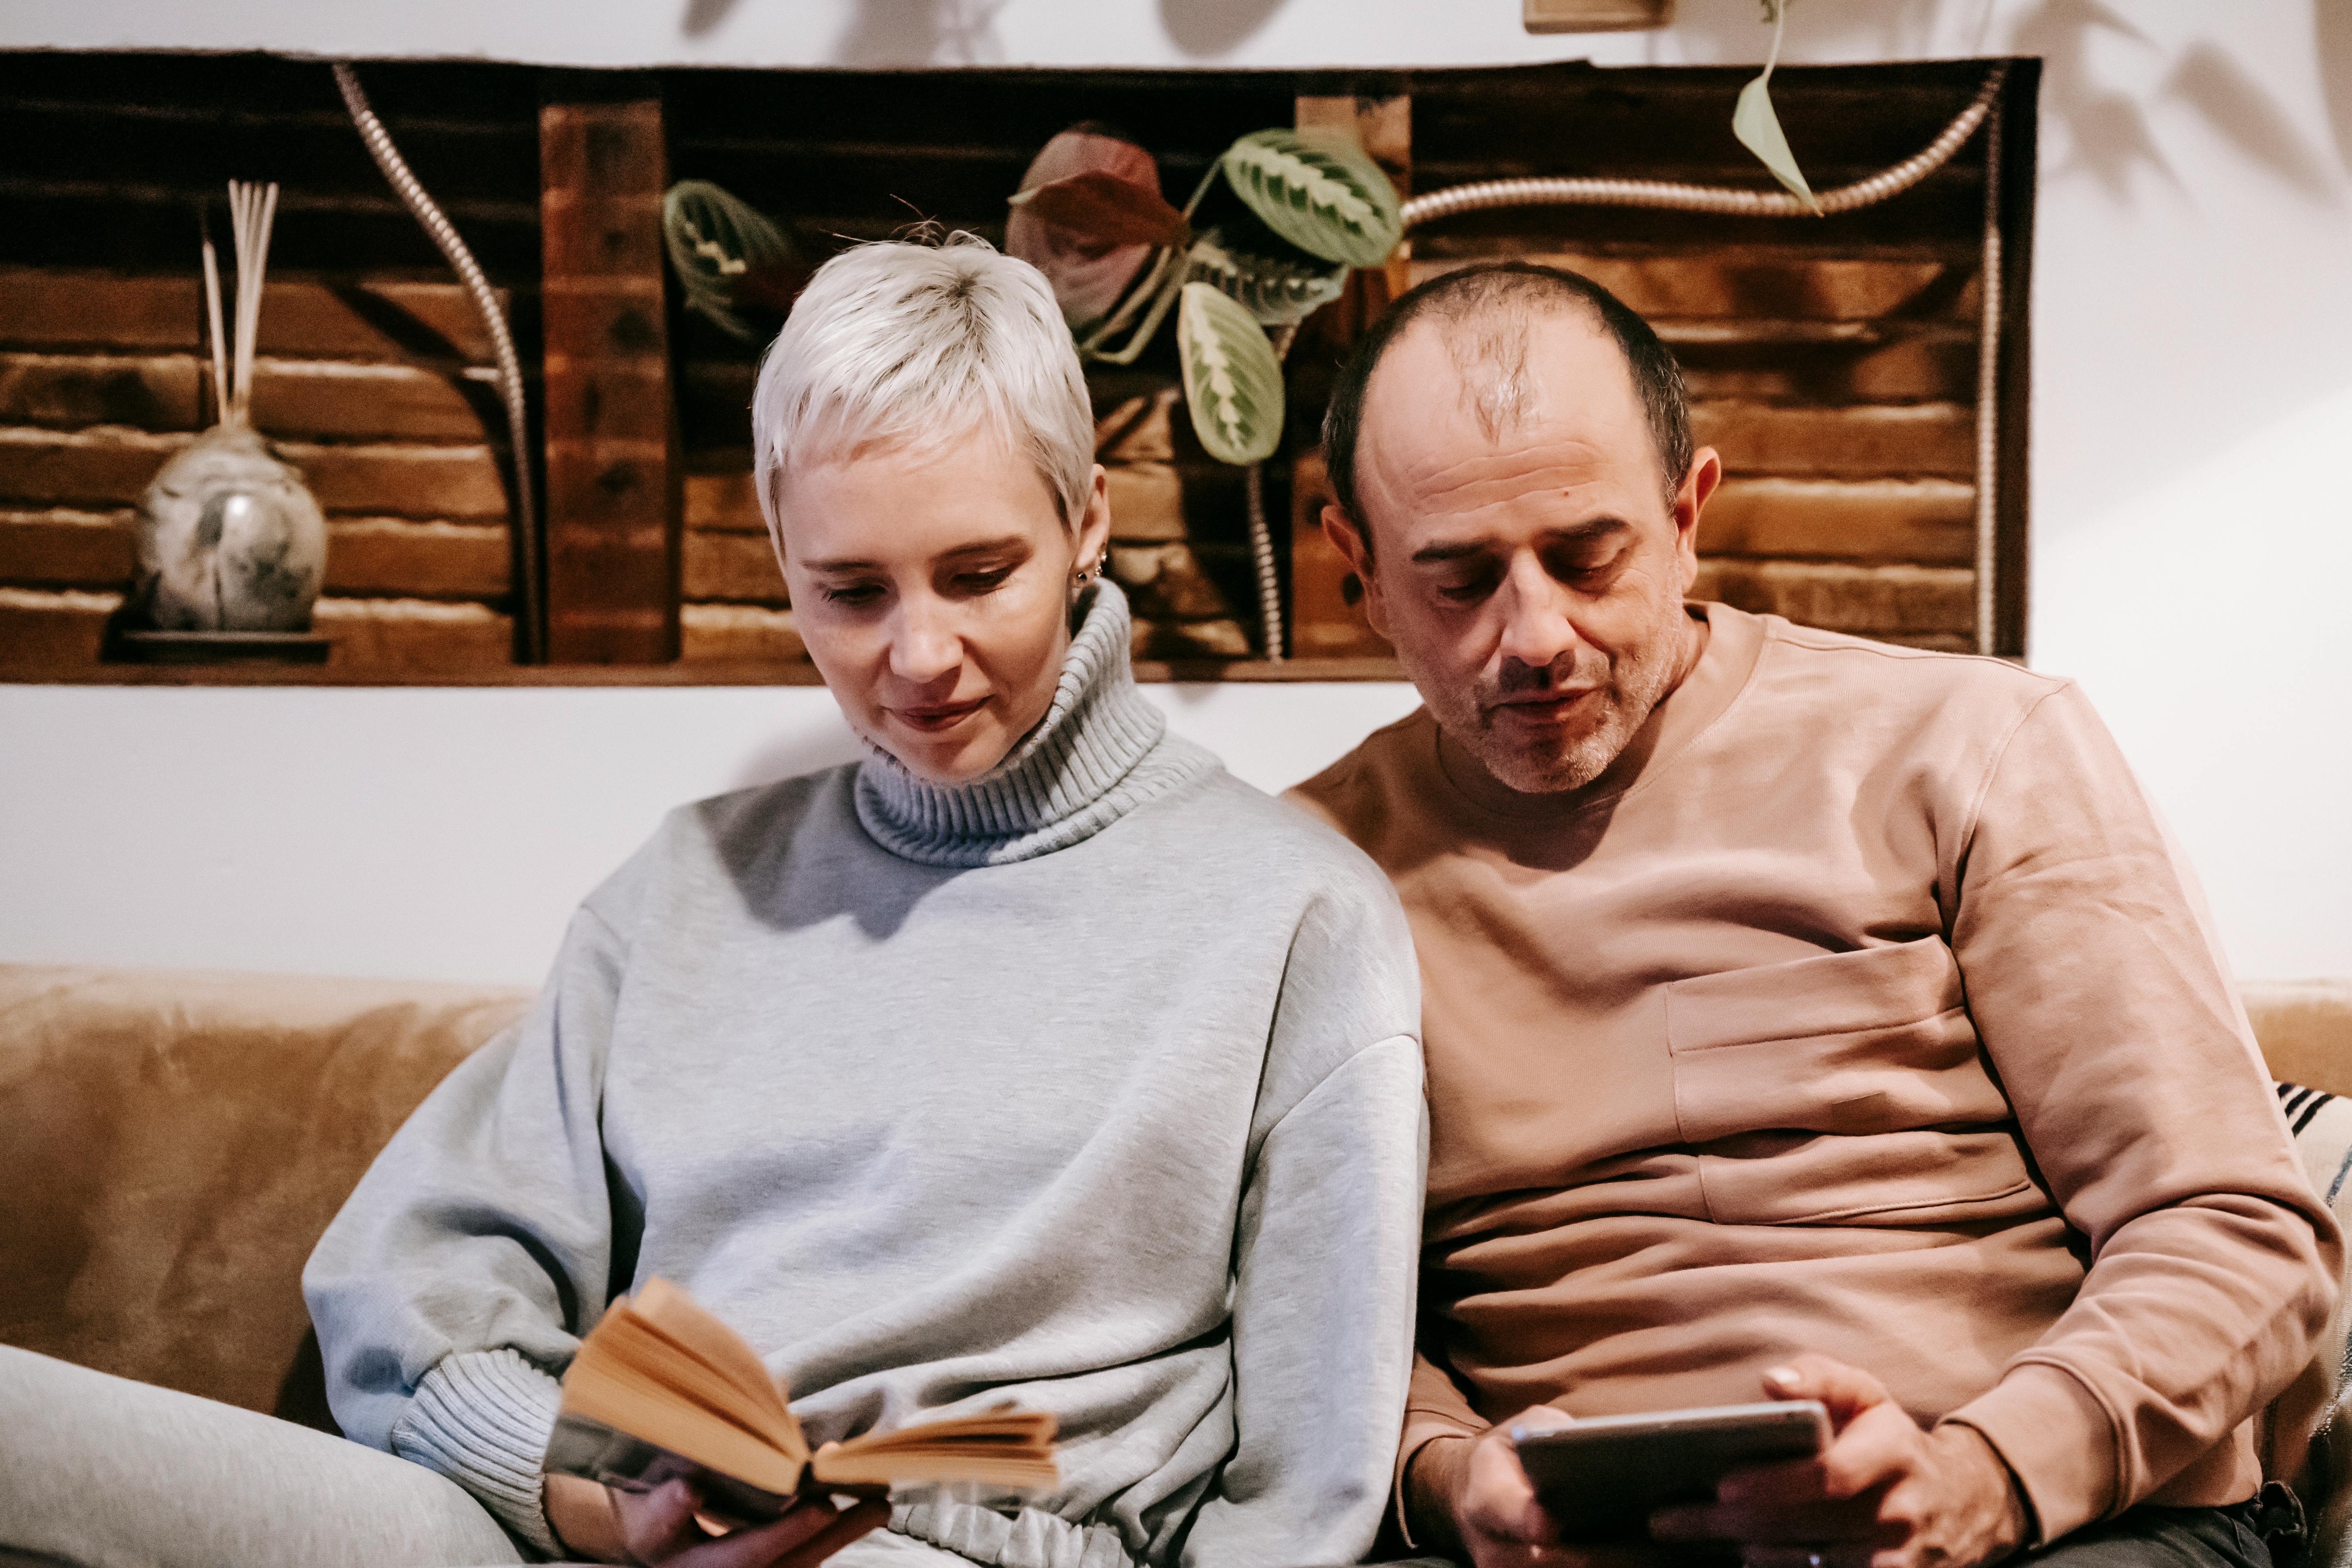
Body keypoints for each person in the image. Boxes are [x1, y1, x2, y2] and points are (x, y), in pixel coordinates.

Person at [0, 236, 1428, 1568]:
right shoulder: (684, 887)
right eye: (851, 592)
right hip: (575, 1539)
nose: (917, 655)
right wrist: (587, 1505)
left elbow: (1306, 1486)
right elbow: (409, 1288)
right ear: (780, 556)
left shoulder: (1295, 916)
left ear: (1085, 525)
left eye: (979, 575)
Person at [1289, 260, 2341, 1568]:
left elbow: (2235, 1232)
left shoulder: (1972, 746)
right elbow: (1299, 1324)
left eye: (1587, 555)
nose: (1535, 633)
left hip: (2056, 1526)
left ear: (1687, 514)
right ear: (1362, 568)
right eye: (1459, 580)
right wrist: (1446, 1481)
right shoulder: (1308, 876)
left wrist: (1986, 1479)